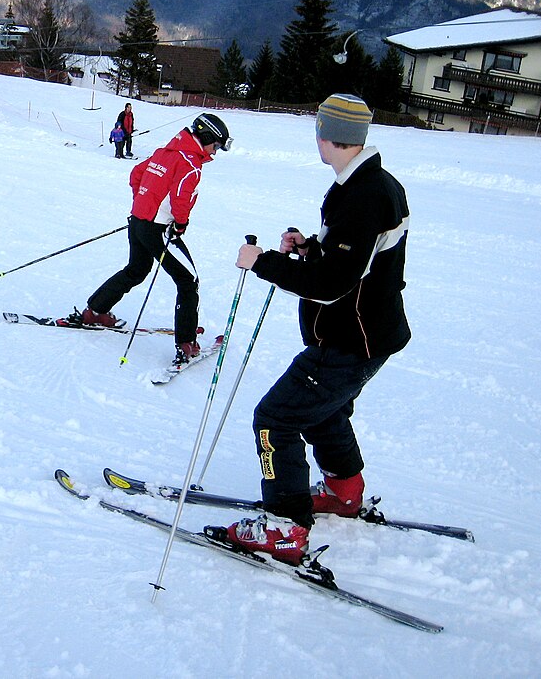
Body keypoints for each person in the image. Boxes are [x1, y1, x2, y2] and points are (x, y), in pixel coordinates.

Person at [225, 94, 410, 567]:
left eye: (317, 129)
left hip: (350, 341)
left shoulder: (366, 195)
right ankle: (344, 494)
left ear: (327, 136)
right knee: (323, 412)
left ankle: (285, 528)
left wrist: (263, 262)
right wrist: (310, 248)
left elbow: (332, 286)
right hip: (362, 338)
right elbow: (354, 264)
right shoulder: (365, 184)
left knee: (276, 417)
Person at [69, 113, 232, 366]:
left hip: (138, 222)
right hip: (158, 229)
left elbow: (136, 175)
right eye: (217, 145)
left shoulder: (164, 152)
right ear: (207, 137)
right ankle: (186, 344)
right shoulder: (189, 163)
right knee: (188, 281)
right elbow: (181, 196)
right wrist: (180, 223)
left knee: (136, 269)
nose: (216, 151)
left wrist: (142, 205)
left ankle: (95, 312)